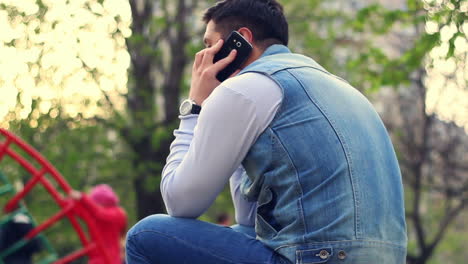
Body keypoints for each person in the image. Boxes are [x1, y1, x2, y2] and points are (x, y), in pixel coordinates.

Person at [126, 0, 407, 263]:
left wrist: (196, 108)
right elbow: (248, 218)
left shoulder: (246, 88)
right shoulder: (331, 83)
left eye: (210, 46)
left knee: (145, 235)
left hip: (318, 256)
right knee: (241, 231)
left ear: (241, 40)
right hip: (384, 257)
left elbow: (180, 203)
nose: (203, 60)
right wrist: (238, 141)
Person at [70, 184, 127, 264]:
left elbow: (101, 213)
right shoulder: (95, 215)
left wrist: (82, 198)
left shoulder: (117, 213)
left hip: (110, 259)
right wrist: (70, 199)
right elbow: (76, 209)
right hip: (97, 259)